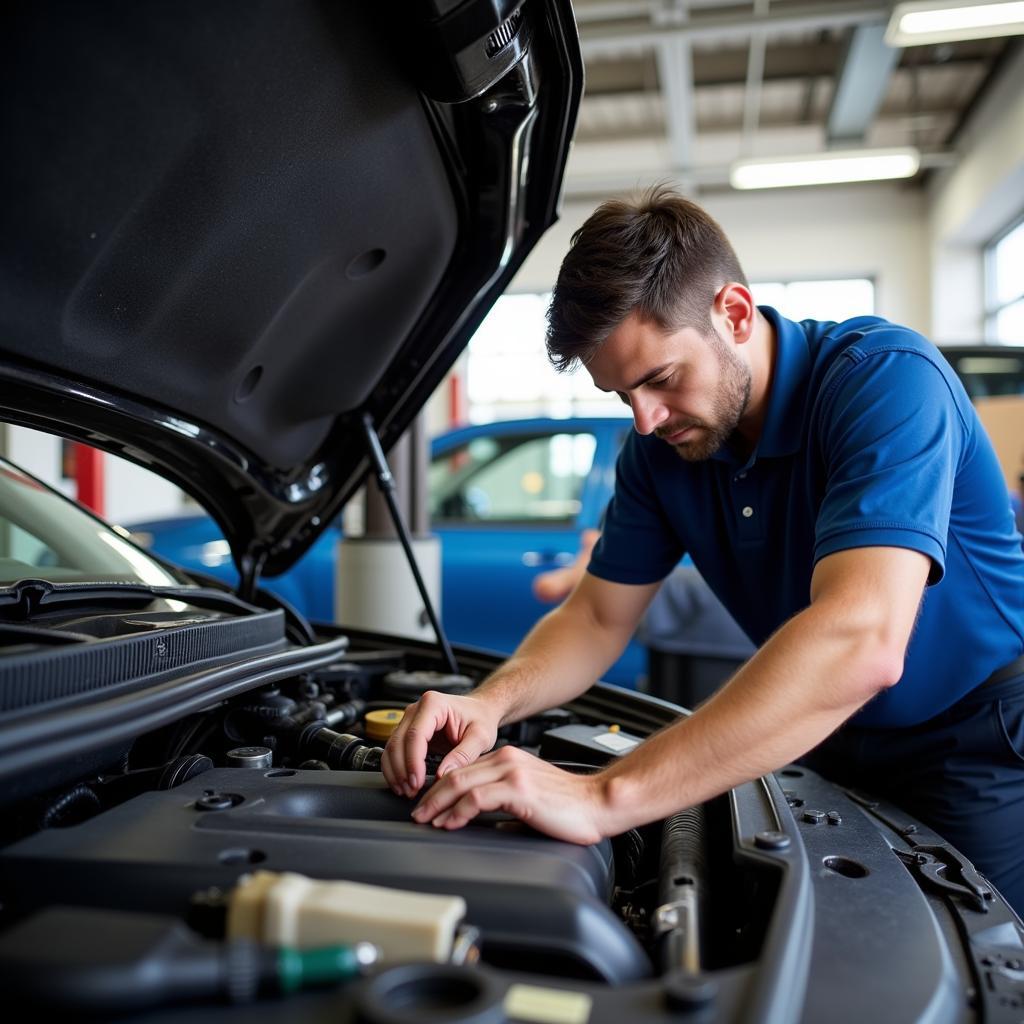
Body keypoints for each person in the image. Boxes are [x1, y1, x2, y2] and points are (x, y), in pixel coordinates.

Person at [382, 187, 1024, 915]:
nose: (646, 420)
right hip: (826, 733)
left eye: (659, 379)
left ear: (735, 313)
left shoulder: (885, 381)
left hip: (979, 740)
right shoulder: (660, 451)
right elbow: (595, 618)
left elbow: (863, 641)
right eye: (622, 395)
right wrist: (490, 701)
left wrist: (603, 797)